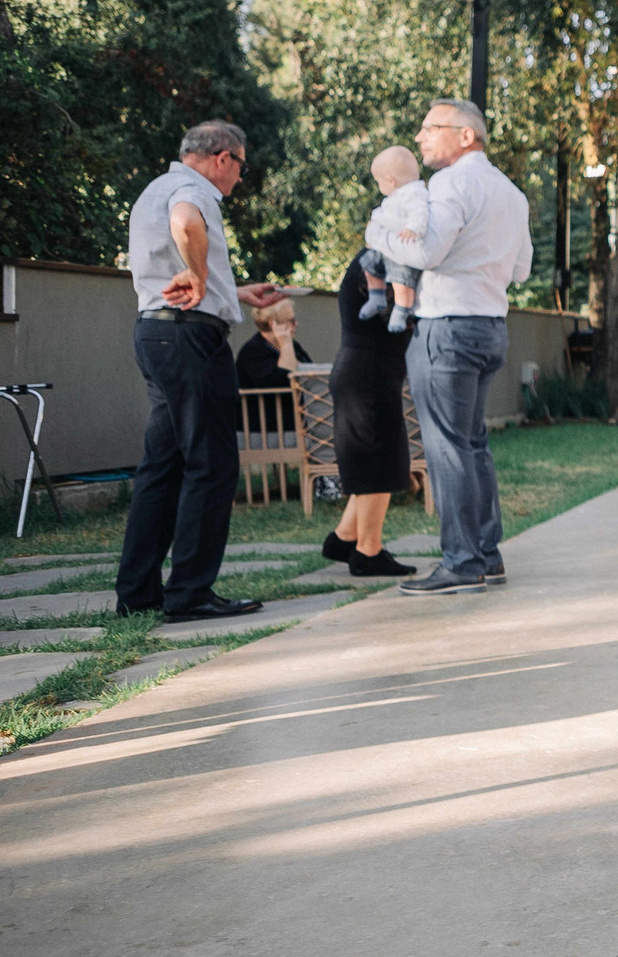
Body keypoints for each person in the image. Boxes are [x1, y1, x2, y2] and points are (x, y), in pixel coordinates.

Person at [114, 121, 285, 622]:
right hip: (190, 337)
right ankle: (189, 593)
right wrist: (201, 275)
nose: (238, 178)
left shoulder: (155, 188)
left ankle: (137, 592)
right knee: (212, 464)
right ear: (222, 157)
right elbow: (186, 225)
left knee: (162, 466)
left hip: (157, 331)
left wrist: (231, 292)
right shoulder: (194, 190)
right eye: (241, 166)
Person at [377, 97, 532, 596]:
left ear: (467, 136)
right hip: (491, 327)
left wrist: (379, 234)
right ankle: (487, 555)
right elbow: (522, 270)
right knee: (474, 445)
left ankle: (462, 562)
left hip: (446, 327)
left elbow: (425, 250)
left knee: (447, 448)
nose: (419, 137)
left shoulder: (449, 183)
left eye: (431, 128)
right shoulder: (511, 192)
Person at [316, 250, 418, 579]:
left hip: (365, 370)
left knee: (373, 456)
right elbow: (397, 313)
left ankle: (345, 537)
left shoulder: (372, 259)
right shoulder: (377, 261)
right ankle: (368, 552)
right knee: (379, 459)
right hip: (369, 374)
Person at [356, 146, 430, 332]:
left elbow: (420, 213)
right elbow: (381, 216)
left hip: (400, 250)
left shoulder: (414, 194)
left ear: (390, 180)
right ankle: (377, 297)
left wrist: (412, 228)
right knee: (369, 266)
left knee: (402, 281)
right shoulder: (394, 196)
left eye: (378, 181)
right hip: (383, 248)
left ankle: (402, 310)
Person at [233, 299, 308, 434]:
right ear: (273, 324)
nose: (296, 324)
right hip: (264, 433)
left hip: (293, 426)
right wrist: (285, 344)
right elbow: (284, 382)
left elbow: (308, 370)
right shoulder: (253, 351)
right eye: (291, 321)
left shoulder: (294, 346)